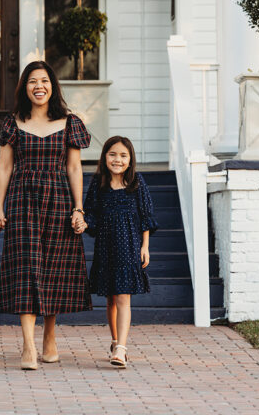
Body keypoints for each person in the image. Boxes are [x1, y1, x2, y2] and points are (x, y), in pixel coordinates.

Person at [0, 60, 91, 371]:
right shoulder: (13, 122)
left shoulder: (69, 122)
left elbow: (74, 168)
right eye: (33, 81)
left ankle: (49, 338)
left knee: (54, 269)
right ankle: (28, 345)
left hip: (59, 200)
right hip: (22, 200)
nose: (39, 86)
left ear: (52, 86)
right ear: (25, 87)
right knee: (25, 268)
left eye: (44, 81)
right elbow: (5, 168)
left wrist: (78, 208)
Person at [82, 136, 158, 369]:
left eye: (123, 155)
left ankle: (122, 349)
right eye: (113, 154)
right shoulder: (98, 183)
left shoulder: (136, 183)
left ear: (130, 159)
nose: (118, 160)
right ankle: (115, 341)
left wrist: (145, 247)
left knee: (124, 297)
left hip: (129, 246)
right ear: (104, 157)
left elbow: (146, 217)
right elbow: (91, 214)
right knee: (111, 299)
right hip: (105, 248)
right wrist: (83, 222)